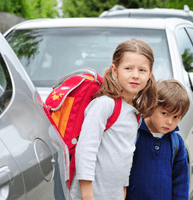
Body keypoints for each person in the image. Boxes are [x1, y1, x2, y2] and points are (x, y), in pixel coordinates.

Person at [69, 38, 158, 200]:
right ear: (115, 70)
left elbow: (125, 153)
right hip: (91, 195)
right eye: (128, 68)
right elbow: (86, 149)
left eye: (142, 70)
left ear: (150, 74)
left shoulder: (133, 111)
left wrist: (124, 187)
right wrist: (87, 193)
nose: (135, 75)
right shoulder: (105, 105)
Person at [126, 79, 190, 200]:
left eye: (176, 117)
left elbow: (181, 183)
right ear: (152, 106)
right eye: (164, 113)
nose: (169, 122)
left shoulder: (177, 143)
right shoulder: (134, 133)